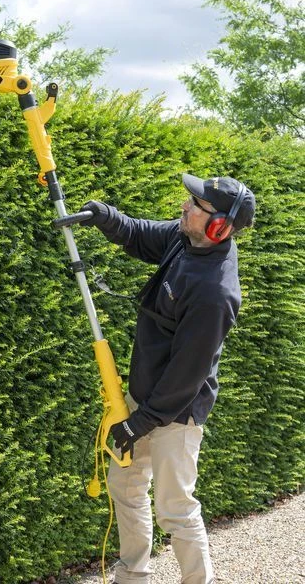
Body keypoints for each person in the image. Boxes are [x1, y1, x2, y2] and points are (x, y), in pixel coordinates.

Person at [80, 174, 256, 584]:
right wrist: (103, 216)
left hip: (177, 413)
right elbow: (140, 234)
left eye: (196, 204)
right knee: (125, 488)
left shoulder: (215, 293)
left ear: (219, 226)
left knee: (175, 509)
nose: (185, 206)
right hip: (144, 400)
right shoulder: (186, 238)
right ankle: (133, 575)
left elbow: (187, 374)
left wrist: (139, 423)